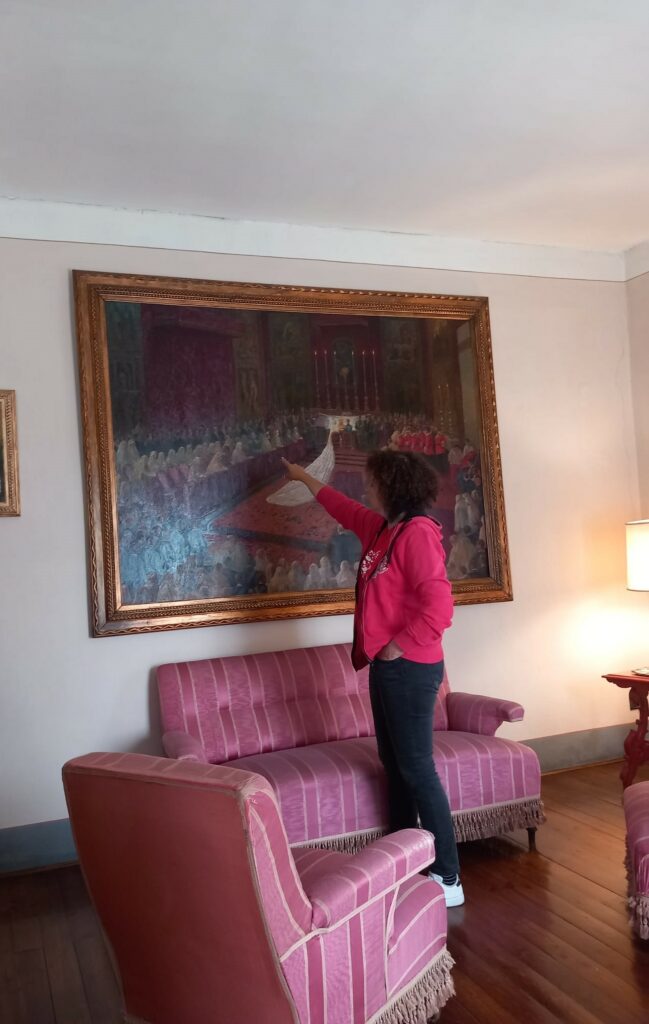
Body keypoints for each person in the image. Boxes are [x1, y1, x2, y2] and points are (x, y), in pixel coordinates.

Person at [280, 450, 463, 906]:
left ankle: (448, 876)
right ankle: (406, 861)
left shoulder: (417, 533)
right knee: (395, 766)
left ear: (392, 485)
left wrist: (397, 646)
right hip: (388, 668)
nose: (367, 489)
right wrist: (304, 478)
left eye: (373, 481)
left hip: (411, 668)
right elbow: (342, 507)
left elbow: (440, 608)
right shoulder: (383, 529)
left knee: (417, 768)